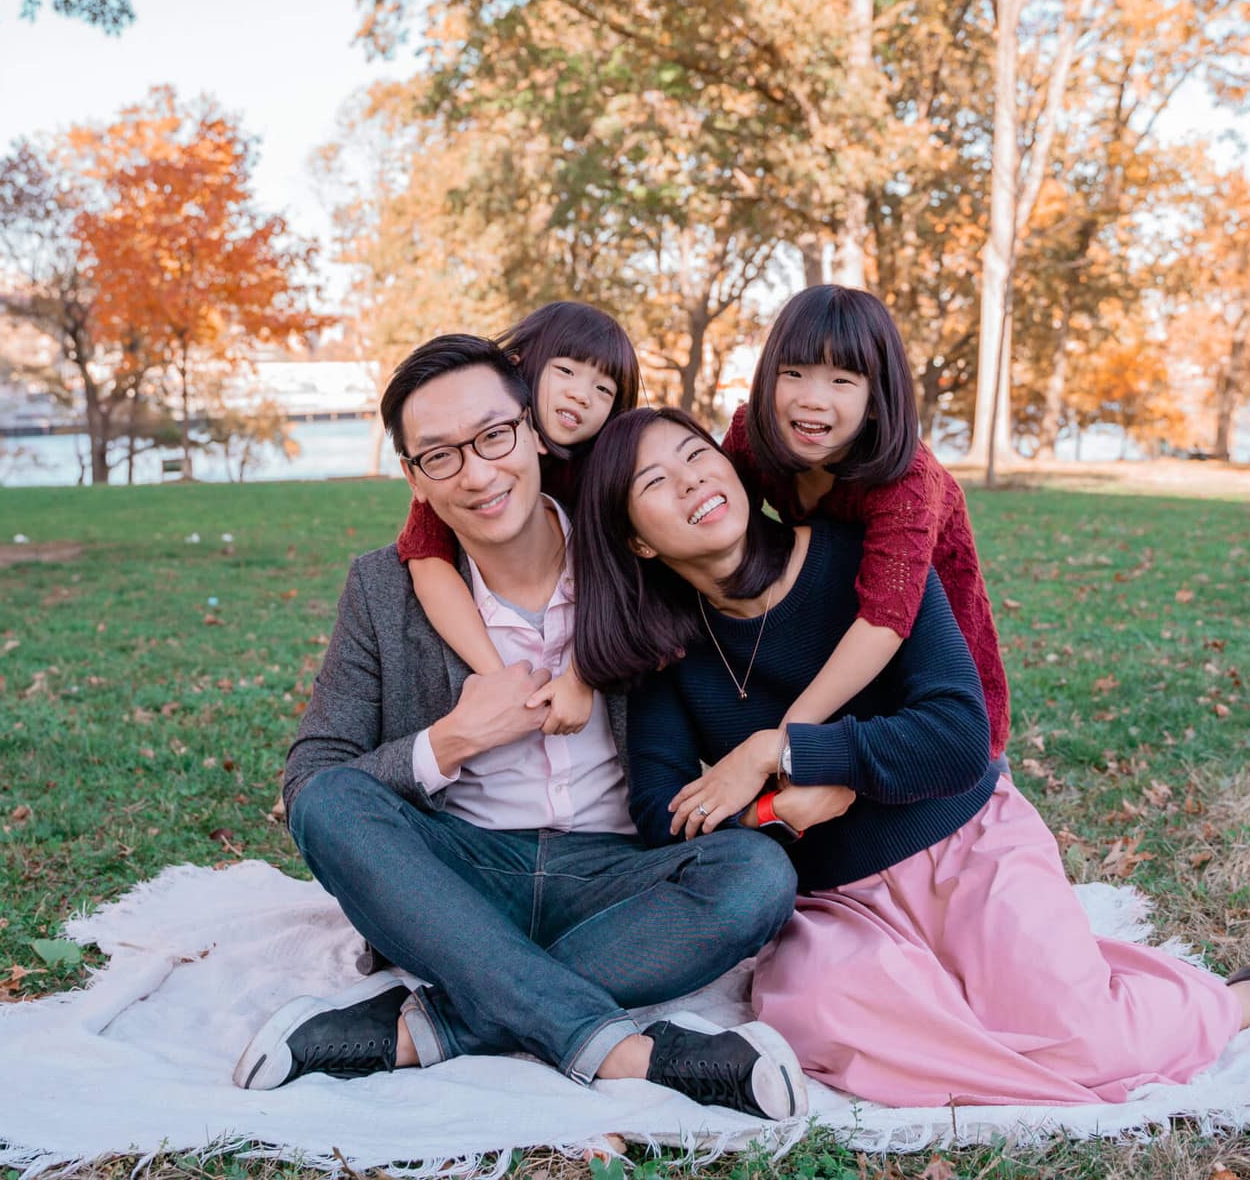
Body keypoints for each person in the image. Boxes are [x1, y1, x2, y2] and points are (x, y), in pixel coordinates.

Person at [573, 406, 1250, 1108]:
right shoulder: (665, 650)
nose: (689, 480)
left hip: (962, 841)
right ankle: (1027, 1027)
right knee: (824, 1015)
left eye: (694, 454)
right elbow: (664, 814)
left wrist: (803, 757)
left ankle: (1247, 1000)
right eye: (654, 481)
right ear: (638, 542)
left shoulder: (858, 562)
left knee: (1080, 1035)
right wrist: (780, 808)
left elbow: (954, 734)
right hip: (831, 900)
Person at [237, 337, 807, 1122]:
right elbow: (312, 780)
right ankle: (630, 1054)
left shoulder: (633, 554)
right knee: (333, 803)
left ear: (533, 430)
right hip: (458, 881)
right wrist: (453, 741)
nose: (476, 474)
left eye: (493, 437)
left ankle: (442, 1021)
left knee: (758, 875)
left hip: (620, 882)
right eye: (439, 456)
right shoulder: (383, 588)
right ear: (413, 477)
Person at [671, 285, 1011, 837]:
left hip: (925, 630)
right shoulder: (752, 441)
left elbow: (884, 623)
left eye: (842, 381)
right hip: (833, 613)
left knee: (936, 772)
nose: (812, 398)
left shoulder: (906, 480)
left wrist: (784, 744)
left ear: (876, 398)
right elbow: (716, 532)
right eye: (795, 373)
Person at [398, 303, 640, 738]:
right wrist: (501, 680)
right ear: (521, 365)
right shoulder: (464, 468)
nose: (582, 395)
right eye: (566, 371)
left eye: (604, 390)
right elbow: (427, 564)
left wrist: (582, 675)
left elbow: (625, 579)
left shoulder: (606, 474)